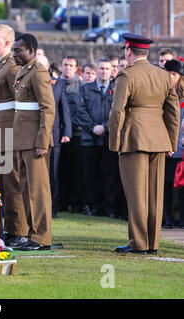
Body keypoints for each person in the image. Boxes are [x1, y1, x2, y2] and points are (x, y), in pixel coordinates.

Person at [108, 33, 180, 254]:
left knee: (137, 193)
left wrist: (114, 142)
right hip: (158, 139)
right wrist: (171, 141)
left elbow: (117, 112)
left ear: (129, 51)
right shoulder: (162, 75)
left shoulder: (126, 76)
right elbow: (173, 111)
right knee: (155, 195)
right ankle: (152, 243)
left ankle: (138, 243)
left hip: (134, 139)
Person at [11, 33, 56, 251]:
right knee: (27, 190)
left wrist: (42, 142)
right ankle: (32, 233)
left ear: (32, 51)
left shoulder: (38, 71)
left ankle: (41, 237)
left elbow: (48, 108)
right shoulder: (23, 70)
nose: (14, 54)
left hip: (34, 142)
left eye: (18, 50)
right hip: (22, 140)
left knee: (38, 191)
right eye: (13, 49)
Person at [0, 24, 26, 248]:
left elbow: (18, 102)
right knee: (3, 180)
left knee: (12, 180)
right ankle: (10, 227)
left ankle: (18, 229)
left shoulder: (11, 68)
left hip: (8, 129)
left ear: (7, 43)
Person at [76, 57, 122, 218]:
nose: (104, 71)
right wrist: (93, 127)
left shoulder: (118, 89)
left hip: (109, 139)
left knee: (110, 176)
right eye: (101, 68)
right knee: (91, 175)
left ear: (111, 71)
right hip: (89, 140)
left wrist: (104, 126)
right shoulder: (85, 89)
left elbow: (118, 112)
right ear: (97, 70)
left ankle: (110, 207)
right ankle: (95, 206)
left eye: (107, 69)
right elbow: (80, 111)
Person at [58, 56, 87, 214]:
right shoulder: (56, 83)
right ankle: (61, 202)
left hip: (76, 133)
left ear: (76, 68)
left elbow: (82, 109)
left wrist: (68, 124)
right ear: (61, 66)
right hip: (58, 133)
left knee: (76, 171)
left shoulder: (81, 85)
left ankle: (76, 204)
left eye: (71, 65)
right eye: (65, 65)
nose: (67, 68)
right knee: (60, 170)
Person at [163, 59, 184, 229]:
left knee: (182, 186)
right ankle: (168, 218)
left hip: (181, 146)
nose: (171, 77)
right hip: (166, 147)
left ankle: (181, 218)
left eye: (174, 75)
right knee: (166, 185)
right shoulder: (160, 93)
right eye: (168, 74)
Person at [49, 60, 72, 219]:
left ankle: (52, 207)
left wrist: (67, 132)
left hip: (55, 135)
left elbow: (64, 109)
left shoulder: (59, 84)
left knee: (53, 173)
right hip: (33, 134)